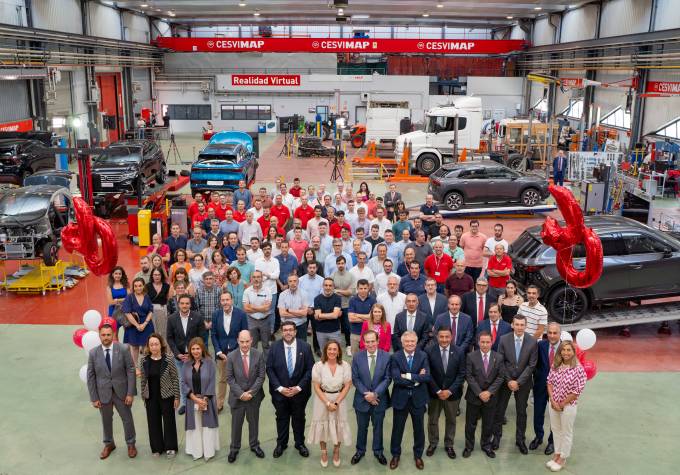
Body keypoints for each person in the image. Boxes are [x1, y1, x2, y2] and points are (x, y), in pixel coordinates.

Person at [87, 324, 137, 459]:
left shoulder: (123, 349)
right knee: (106, 420)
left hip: (122, 392)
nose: (106, 337)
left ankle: (131, 444)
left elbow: (131, 370)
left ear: (113, 334)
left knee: (127, 419)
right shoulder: (93, 353)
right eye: (103, 335)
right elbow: (90, 376)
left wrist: (130, 393)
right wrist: (94, 397)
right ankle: (109, 444)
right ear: (99, 336)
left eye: (108, 334)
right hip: (103, 393)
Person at [267, 321, 315, 459]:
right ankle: (281, 444)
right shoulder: (274, 347)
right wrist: (280, 388)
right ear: (282, 332)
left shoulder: (305, 347)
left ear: (295, 332)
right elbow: (269, 369)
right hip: (280, 393)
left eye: (290, 330)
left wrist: (299, 387)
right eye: (285, 330)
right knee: (281, 418)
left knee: (299, 418)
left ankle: (300, 444)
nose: (288, 332)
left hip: (299, 393)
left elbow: (310, 369)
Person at [491, 314, 538, 454]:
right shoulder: (504, 339)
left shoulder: (532, 342)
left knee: (521, 412)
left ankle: (520, 440)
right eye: (517, 324)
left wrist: (518, 382)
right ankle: (496, 438)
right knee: (500, 410)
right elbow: (500, 361)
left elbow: (532, 365)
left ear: (526, 326)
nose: (519, 327)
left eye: (522, 325)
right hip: (505, 381)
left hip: (523, 382)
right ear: (512, 325)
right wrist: (509, 380)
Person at [389, 331, 431, 470]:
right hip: (400, 399)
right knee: (397, 429)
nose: (410, 344)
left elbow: (426, 377)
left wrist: (407, 375)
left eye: (412, 341)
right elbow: (396, 378)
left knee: (419, 429)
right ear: (402, 343)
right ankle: (395, 455)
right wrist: (417, 379)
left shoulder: (423, 355)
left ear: (416, 342)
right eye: (407, 341)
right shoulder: (395, 357)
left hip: (418, 399)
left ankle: (418, 455)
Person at [307, 340, 353, 467]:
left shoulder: (345, 366)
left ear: (339, 352)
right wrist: (327, 403)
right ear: (325, 351)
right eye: (329, 349)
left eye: (334, 349)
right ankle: (324, 452)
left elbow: (347, 385)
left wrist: (336, 403)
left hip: (339, 399)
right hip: (322, 399)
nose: (332, 351)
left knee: (339, 425)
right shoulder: (318, 366)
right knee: (322, 425)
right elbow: (316, 387)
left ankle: (336, 451)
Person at [351, 330, 391, 466]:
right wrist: (367, 394)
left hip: (379, 400)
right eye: (367, 342)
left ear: (378, 341)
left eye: (373, 341)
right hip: (362, 400)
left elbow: (387, 378)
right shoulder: (357, 357)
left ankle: (378, 451)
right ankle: (360, 451)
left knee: (378, 427)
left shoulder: (386, 357)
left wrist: (375, 394)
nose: (370, 344)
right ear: (363, 342)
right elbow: (355, 378)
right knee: (362, 428)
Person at [225, 330, 266, 463]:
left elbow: (261, 376)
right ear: (238, 341)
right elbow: (230, 378)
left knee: (254, 423)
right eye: (242, 341)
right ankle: (234, 448)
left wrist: (251, 393)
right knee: (236, 425)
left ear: (251, 340)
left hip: (254, 398)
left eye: (247, 341)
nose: (244, 344)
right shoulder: (231, 356)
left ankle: (254, 445)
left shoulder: (258, 354)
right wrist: (241, 394)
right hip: (237, 398)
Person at [425, 327, 466, 459]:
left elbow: (461, 374)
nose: (444, 339)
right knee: (432, 420)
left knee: (451, 420)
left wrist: (449, 390)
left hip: (452, 394)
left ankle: (449, 444)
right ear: (437, 337)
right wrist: (437, 390)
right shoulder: (429, 351)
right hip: (434, 393)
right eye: (441, 336)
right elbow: (427, 373)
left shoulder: (459, 351)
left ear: (451, 337)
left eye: (447, 337)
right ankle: (433, 443)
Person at [546, 340, 587, 472]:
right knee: (556, 430)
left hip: (568, 406)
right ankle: (557, 454)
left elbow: (576, 391)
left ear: (573, 352)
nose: (565, 353)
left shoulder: (579, 369)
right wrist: (553, 401)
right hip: (553, 404)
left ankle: (563, 458)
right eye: (563, 350)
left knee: (566, 432)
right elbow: (549, 382)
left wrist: (562, 404)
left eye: (569, 350)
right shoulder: (556, 365)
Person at [463, 331, 504, 459]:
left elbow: (500, 377)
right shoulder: (471, 356)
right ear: (478, 342)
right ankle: (469, 446)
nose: (485, 345)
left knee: (488, 423)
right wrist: (479, 393)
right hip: (474, 396)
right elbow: (469, 376)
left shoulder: (498, 357)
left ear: (492, 342)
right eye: (482, 342)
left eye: (487, 342)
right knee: (470, 424)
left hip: (490, 398)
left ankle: (486, 445)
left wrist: (489, 392)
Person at [139, 333, 180, 458]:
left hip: (167, 396)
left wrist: (177, 397)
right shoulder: (144, 360)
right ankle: (157, 448)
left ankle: (170, 447)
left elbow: (175, 378)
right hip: (151, 397)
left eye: (156, 344)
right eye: (151, 344)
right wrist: (143, 396)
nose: (154, 347)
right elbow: (143, 380)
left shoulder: (168, 359)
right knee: (153, 422)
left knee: (169, 422)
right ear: (148, 346)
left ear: (161, 345)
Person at [166, 294, 206, 415]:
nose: (184, 306)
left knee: (197, 379)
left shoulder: (198, 317)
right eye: (182, 303)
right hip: (179, 357)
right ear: (178, 304)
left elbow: (202, 337)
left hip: (195, 355)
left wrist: (193, 354)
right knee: (182, 380)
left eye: (187, 303)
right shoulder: (172, 318)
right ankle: (184, 403)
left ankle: (198, 401)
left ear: (190, 304)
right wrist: (177, 354)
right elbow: (169, 338)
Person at [182, 337, 220, 461]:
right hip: (192, 401)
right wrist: (195, 399)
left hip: (206, 400)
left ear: (202, 349)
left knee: (207, 427)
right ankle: (196, 451)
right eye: (193, 349)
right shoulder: (186, 364)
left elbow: (212, 382)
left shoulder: (210, 363)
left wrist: (204, 400)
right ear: (190, 350)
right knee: (195, 426)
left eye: (198, 348)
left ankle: (208, 452)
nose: (195, 351)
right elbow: (183, 383)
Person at [212, 291, 249, 411]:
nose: (225, 302)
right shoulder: (216, 315)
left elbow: (244, 334)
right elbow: (213, 335)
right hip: (221, 354)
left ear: (232, 300)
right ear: (220, 302)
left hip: (237, 353)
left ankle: (238, 401)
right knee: (222, 379)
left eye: (227, 300)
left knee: (238, 379)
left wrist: (237, 352)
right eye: (223, 300)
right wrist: (218, 352)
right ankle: (220, 404)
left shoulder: (241, 314)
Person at [531, 322, 562, 456]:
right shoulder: (540, 345)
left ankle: (552, 441)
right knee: (538, 412)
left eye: (555, 333)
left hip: (558, 388)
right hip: (540, 386)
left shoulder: (565, 348)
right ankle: (538, 437)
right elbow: (534, 363)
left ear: (560, 334)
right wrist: (537, 376)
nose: (552, 335)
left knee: (555, 415)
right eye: (549, 333)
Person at [122, 277, 154, 374]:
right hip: (133, 325)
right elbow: (127, 313)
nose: (138, 288)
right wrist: (137, 325)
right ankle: (135, 367)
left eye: (140, 285)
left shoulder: (146, 296)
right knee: (134, 347)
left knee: (146, 347)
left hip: (146, 324)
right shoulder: (129, 297)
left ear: (143, 286)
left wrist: (145, 323)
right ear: (133, 287)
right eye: (135, 286)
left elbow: (151, 311)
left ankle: (145, 366)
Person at [243, 270, 273, 360]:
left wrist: (252, 306)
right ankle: (254, 362)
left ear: (262, 278)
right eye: (254, 277)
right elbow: (246, 308)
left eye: (258, 277)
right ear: (251, 279)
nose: (256, 279)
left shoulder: (268, 290)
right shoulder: (247, 291)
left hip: (265, 320)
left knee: (266, 344)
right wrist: (261, 308)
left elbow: (267, 308)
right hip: (251, 320)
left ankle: (268, 363)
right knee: (252, 344)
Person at [278, 274, 311, 341]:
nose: (293, 283)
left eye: (295, 281)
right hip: (286, 325)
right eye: (290, 281)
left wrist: (288, 310)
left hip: (300, 325)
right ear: (288, 283)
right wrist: (299, 313)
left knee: (301, 345)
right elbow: (282, 313)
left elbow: (304, 313)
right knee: (287, 345)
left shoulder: (304, 294)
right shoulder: (282, 295)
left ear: (298, 282)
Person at [313, 278, 343, 351]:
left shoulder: (337, 298)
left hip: (334, 331)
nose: (328, 287)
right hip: (320, 331)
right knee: (324, 352)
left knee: (336, 352)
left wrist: (320, 315)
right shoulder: (317, 299)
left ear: (333, 287)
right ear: (323, 286)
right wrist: (333, 315)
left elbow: (334, 316)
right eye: (326, 285)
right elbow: (334, 315)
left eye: (330, 285)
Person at [196, 271, 221, 347]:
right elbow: (197, 308)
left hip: (216, 321)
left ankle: (218, 355)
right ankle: (205, 355)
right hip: (203, 321)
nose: (208, 281)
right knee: (204, 343)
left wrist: (212, 321)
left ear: (214, 280)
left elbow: (220, 307)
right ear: (203, 280)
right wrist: (203, 321)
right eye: (206, 279)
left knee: (217, 342)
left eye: (210, 279)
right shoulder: (199, 291)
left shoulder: (218, 290)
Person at [146, 268, 170, 340]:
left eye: (159, 275)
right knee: (152, 330)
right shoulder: (147, 286)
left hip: (163, 310)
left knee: (163, 330)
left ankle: (163, 345)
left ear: (161, 276)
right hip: (151, 311)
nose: (157, 276)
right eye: (155, 275)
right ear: (152, 276)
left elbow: (168, 299)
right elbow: (145, 300)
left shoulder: (166, 286)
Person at [106, 266, 129, 332]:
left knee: (127, 330)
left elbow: (129, 298)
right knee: (114, 331)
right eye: (116, 273)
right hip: (113, 311)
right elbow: (111, 302)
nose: (118, 275)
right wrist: (123, 299)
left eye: (119, 274)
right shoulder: (109, 287)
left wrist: (117, 300)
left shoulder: (126, 285)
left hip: (125, 310)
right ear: (112, 274)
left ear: (122, 275)